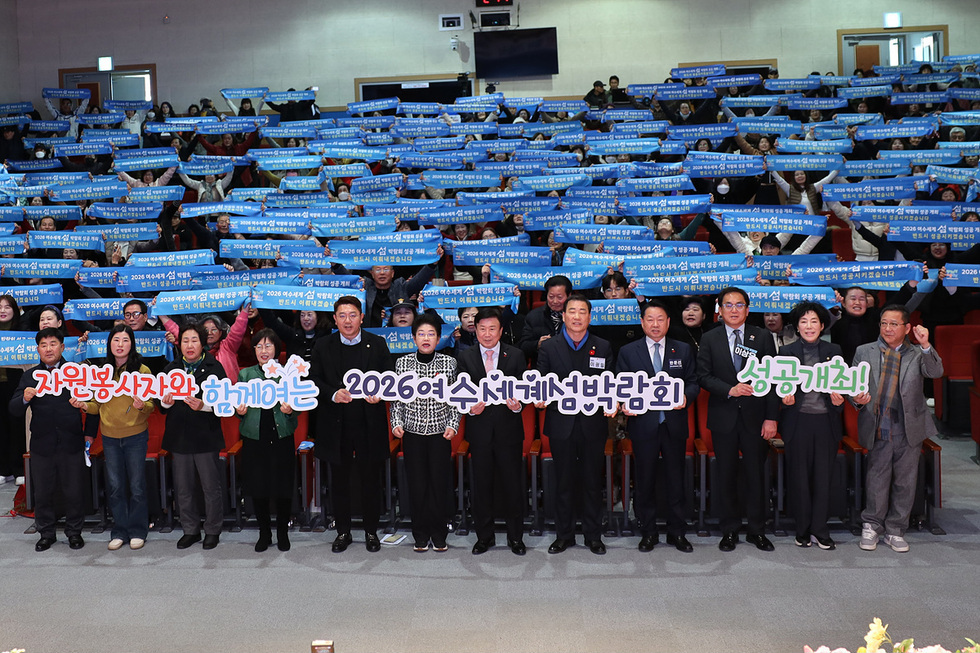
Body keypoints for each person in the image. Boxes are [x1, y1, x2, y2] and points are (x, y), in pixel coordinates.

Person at [852, 304, 943, 553]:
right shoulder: (864, 351)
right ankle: (872, 525)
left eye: (894, 324)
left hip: (909, 425)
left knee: (905, 480)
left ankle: (896, 529)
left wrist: (926, 344)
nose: (888, 328)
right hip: (878, 422)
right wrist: (856, 399)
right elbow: (853, 385)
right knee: (877, 477)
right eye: (884, 323)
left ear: (907, 327)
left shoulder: (917, 353)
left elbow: (936, 372)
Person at [696, 287, 779, 552]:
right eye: (728, 305)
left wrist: (771, 418)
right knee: (726, 474)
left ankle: (757, 530)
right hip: (724, 416)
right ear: (719, 309)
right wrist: (729, 389)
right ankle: (729, 530)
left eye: (739, 305)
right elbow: (703, 376)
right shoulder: (709, 337)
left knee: (756, 475)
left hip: (756, 418)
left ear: (748, 309)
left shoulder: (762, 336)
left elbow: (773, 378)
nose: (734, 310)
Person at [310, 296, 393, 553]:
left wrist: (381, 393)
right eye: (342, 316)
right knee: (339, 481)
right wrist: (333, 394)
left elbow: (389, 376)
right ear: (335, 319)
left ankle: (371, 531)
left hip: (369, 424)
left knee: (371, 480)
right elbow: (314, 380)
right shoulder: (323, 345)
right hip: (336, 425)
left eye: (353, 315)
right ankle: (343, 531)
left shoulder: (377, 344)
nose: (348, 320)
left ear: (361, 317)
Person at [616, 300, 699, 553]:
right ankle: (648, 532)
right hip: (644, 425)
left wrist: (686, 396)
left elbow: (693, 382)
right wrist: (624, 403)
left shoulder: (682, 349)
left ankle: (677, 532)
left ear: (668, 322)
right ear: (642, 323)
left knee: (676, 479)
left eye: (660, 319)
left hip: (674, 424)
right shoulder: (628, 351)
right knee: (645, 480)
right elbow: (620, 386)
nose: (655, 324)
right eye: (650, 319)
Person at [535, 294, 615, 555]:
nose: (577, 316)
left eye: (582, 312)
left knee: (592, 481)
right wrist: (539, 398)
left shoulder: (603, 346)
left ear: (590, 317)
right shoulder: (549, 347)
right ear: (564, 315)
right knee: (563, 482)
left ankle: (593, 536)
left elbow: (610, 384)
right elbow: (540, 382)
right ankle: (564, 535)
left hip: (593, 425)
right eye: (572, 311)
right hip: (561, 424)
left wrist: (613, 401)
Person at [9, 328, 89, 551]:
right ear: (38, 350)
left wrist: (90, 433)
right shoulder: (30, 376)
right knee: (43, 491)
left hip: (71, 441)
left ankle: (74, 532)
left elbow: (93, 403)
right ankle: (46, 533)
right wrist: (24, 399)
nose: (48, 349)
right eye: (43, 345)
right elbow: (13, 409)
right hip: (42, 444)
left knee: (74, 490)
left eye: (53, 344)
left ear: (62, 347)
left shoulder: (76, 373)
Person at [456, 307, 528, 556]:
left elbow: (525, 390)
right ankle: (484, 537)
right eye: (482, 329)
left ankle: (515, 537)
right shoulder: (465, 357)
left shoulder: (516, 355)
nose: (487, 334)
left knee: (512, 485)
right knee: (481, 486)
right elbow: (460, 392)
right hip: (480, 431)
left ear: (501, 331)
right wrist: (470, 408)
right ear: (475, 330)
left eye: (492, 329)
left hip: (509, 431)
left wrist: (518, 405)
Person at [777, 302, 845, 550]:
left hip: (825, 422)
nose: (809, 326)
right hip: (798, 422)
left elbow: (843, 384)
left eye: (814, 321)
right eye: (804, 322)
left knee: (823, 478)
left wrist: (840, 400)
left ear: (822, 325)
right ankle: (803, 529)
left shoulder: (834, 350)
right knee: (799, 478)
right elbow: (777, 388)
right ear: (797, 327)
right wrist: (783, 400)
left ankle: (820, 529)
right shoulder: (786, 352)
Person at [390, 314, 460, 552]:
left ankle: (439, 533)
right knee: (417, 485)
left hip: (440, 434)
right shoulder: (402, 364)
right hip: (412, 433)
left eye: (431, 334)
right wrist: (396, 423)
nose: (426, 338)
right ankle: (420, 533)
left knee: (439, 484)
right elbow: (397, 400)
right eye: (421, 334)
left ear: (439, 339)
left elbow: (455, 399)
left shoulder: (449, 363)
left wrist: (453, 424)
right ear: (413, 338)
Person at [84, 325, 155, 551]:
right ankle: (119, 531)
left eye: (125, 340)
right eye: (116, 340)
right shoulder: (102, 371)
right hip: (110, 437)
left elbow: (151, 405)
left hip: (135, 436)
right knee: (115, 486)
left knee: (136, 486)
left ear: (132, 344)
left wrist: (141, 406)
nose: (120, 344)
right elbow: (96, 404)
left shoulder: (142, 371)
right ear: (109, 344)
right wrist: (84, 405)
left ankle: (138, 530)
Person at [161, 323, 228, 550]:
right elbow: (161, 405)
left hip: (205, 436)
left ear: (203, 343)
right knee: (183, 487)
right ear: (179, 344)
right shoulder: (171, 369)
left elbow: (223, 404)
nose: (189, 345)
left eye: (194, 340)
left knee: (210, 487)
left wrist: (204, 406)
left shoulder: (214, 367)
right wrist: (166, 402)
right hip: (179, 436)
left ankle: (212, 530)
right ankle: (190, 530)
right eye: (185, 341)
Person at [235, 329, 297, 553]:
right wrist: (239, 411)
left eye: (268, 346)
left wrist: (290, 410)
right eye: (259, 346)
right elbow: (237, 408)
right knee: (258, 487)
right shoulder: (246, 374)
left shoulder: (288, 373)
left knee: (283, 487)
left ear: (277, 349)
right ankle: (264, 533)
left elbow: (298, 409)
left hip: (281, 437)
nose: (264, 350)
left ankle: (282, 532)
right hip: (255, 438)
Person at [518, 274, 572, 363]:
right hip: (542, 365)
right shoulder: (533, 316)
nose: (555, 301)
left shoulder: (576, 317)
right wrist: (537, 344)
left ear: (569, 296)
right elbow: (523, 346)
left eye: (559, 297)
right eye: (551, 297)